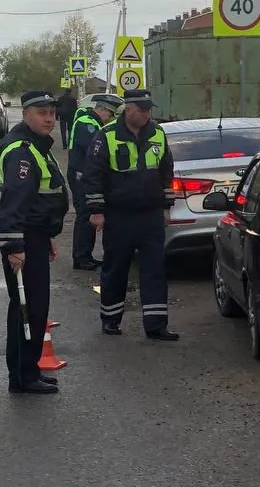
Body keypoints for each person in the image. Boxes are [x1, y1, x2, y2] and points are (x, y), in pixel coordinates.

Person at [82, 89, 179, 341]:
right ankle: (111, 320)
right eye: (142, 109)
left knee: (155, 270)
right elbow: (93, 175)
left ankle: (156, 325)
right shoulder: (107, 136)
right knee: (115, 270)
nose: (147, 114)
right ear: (129, 108)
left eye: (149, 109)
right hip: (118, 216)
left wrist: (167, 206)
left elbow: (166, 171)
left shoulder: (157, 133)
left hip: (150, 215)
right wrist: (96, 211)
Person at [0, 90, 70, 394]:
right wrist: (15, 246)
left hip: (35, 237)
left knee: (32, 308)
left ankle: (27, 370)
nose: (49, 118)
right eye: (42, 113)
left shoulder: (37, 146)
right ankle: (23, 376)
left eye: (52, 113)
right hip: (24, 242)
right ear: (26, 114)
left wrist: (47, 236)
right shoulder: (22, 151)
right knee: (29, 310)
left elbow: (41, 198)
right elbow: (14, 202)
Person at [67, 94, 123, 270]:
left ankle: (85, 255)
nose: (109, 119)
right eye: (110, 115)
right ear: (103, 110)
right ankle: (81, 257)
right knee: (85, 215)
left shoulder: (92, 122)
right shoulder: (87, 123)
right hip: (81, 175)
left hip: (83, 174)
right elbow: (95, 148)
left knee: (87, 214)